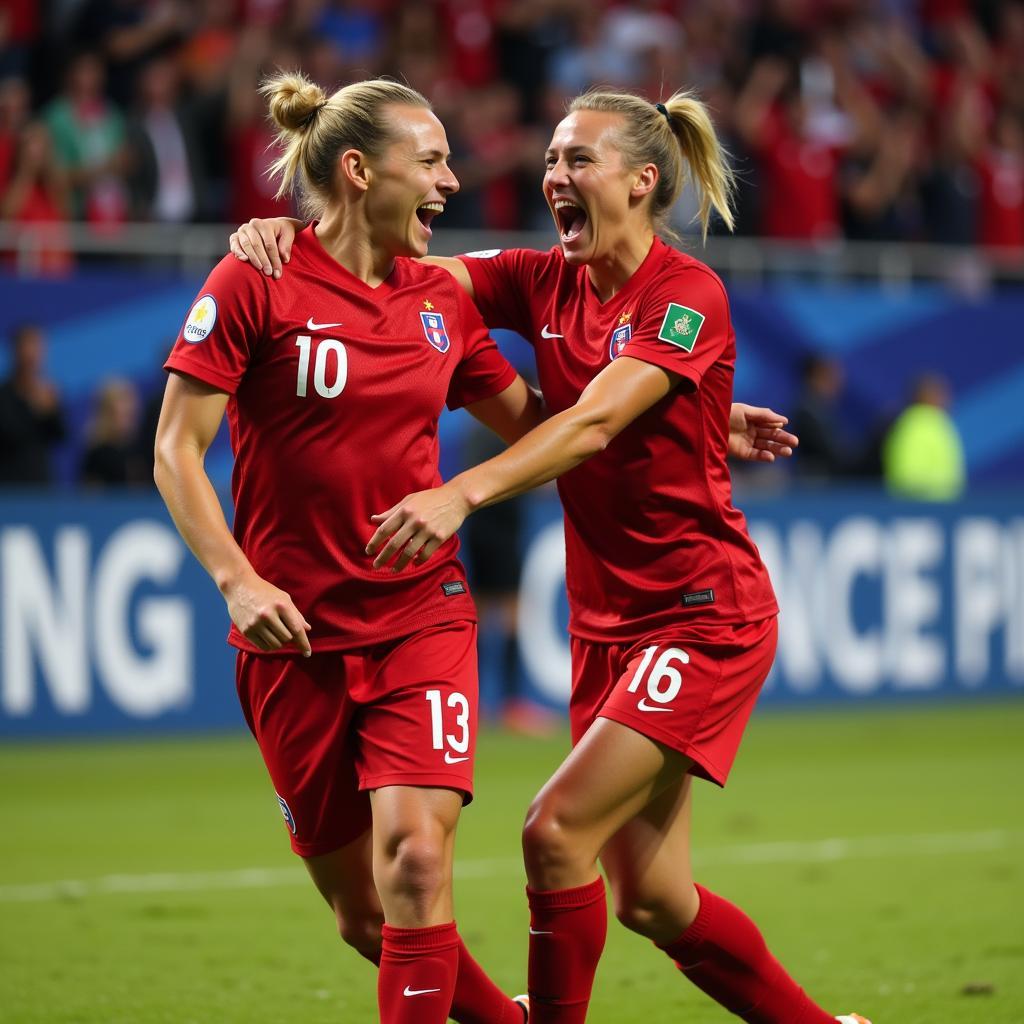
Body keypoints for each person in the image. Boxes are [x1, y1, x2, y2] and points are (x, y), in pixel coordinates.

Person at [231, 86, 870, 1024]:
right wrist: (292, 233)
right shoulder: (543, 279)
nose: (554, 176)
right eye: (553, 158)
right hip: (607, 624)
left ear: (643, 180)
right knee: (654, 898)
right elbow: (406, 264)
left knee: (553, 833)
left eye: (580, 160)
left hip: (702, 613)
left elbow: (597, 422)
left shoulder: (688, 295)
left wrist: (464, 490)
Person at [155, 72, 544, 1024]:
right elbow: (175, 449)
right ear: (363, 171)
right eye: (434, 160)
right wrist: (236, 580)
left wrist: (690, 414)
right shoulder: (258, 276)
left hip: (419, 616)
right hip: (290, 642)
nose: (453, 182)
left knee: (416, 855)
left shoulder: (441, 303)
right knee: (363, 916)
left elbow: (545, 425)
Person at [0, 323, 68, 486]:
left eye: (37, 347)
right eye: (27, 346)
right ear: (16, 351)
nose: (32, 355)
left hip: (40, 485)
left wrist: (50, 412)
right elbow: (9, 434)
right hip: (8, 486)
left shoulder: (48, 392)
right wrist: (32, 407)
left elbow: (61, 435)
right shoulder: (4, 395)